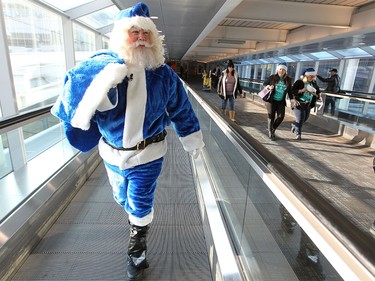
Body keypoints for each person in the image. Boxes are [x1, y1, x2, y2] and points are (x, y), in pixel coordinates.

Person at [50, 2, 204, 280]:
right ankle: (135, 220)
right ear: (123, 36)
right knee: (122, 197)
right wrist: (103, 83)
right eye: (135, 33)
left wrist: (191, 140)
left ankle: (137, 246)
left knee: (140, 199)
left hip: (149, 153)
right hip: (112, 154)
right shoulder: (102, 71)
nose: (141, 38)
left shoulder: (164, 76)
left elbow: (182, 110)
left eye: (146, 33)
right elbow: (75, 93)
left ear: (154, 38)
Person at [262, 63, 293, 140]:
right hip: (271, 101)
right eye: (280, 69)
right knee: (271, 116)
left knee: (281, 117)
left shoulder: (288, 80)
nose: (281, 71)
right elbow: (264, 83)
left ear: (285, 71)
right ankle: (270, 132)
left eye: (283, 70)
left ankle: (273, 128)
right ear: (277, 69)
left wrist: (292, 100)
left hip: (281, 101)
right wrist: (269, 87)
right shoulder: (272, 77)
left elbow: (290, 91)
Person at [290, 68, 321, 140]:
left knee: (305, 118)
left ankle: (295, 125)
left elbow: (318, 90)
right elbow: (292, 91)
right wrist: (302, 90)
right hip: (299, 103)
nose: (312, 78)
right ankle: (298, 134)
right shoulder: (299, 82)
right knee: (300, 119)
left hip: (308, 104)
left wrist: (318, 94)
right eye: (311, 76)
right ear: (306, 76)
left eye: (313, 77)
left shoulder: (313, 82)